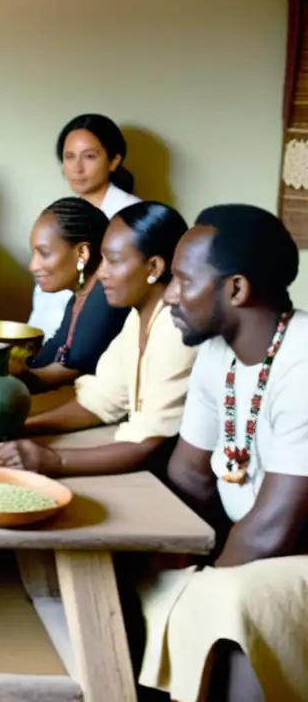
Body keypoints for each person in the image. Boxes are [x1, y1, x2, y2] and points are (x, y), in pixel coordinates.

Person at [134, 205, 308, 702]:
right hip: (248, 552)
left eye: (183, 280)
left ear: (235, 289)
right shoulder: (218, 353)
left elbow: (274, 529)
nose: (167, 295)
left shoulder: (303, 362)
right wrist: (168, 566)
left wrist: (198, 588)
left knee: (227, 603)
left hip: (292, 558)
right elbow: (188, 474)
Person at [0, 202, 194, 477]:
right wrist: (24, 429)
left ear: (154, 267)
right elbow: (99, 402)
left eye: (114, 260)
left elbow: (150, 445)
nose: (101, 273)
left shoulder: (175, 328)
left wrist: (53, 460)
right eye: (103, 260)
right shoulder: (138, 318)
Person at [28, 114, 141, 339]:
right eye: (69, 157)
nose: (77, 168)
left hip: (95, 341)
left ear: (114, 160)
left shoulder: (133, 216)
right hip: (43, 335)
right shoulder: (62, 214)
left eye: (89, 156)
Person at [23, 197, 130, 392]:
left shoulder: (104, 297)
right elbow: (46, 356)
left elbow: (73, 371)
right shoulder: (80, 297)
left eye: (44, 253)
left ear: (82, 253)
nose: (33, 266)